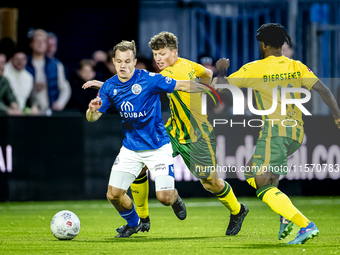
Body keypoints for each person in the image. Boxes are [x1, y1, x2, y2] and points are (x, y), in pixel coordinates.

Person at [85, 32, 248, 236]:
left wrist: (105, 85)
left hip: (198, 135)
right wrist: (208, 85)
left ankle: (238, 210)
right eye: (155, 54)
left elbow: (145, 83)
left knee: (210, 182)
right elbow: (206, 72)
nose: (158, 59)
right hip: (172, 130)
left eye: (162, 54)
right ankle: (142, 219)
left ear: (174, 52)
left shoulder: (172, 73)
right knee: (141, 167)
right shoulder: (187, 64)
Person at [216, 23, 340, 244]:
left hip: (274, 132)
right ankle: (285, 217)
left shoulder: (255, 68)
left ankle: (304, 225)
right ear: (283, 44)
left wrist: (222, 69)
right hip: (296, 134)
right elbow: (324, 90)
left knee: (262, 184)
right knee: (253, 172)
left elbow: (221, 87)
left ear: (263, 44)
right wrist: (337, 116)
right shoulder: (297, 66)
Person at [26, 29, 71, 114]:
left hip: (50, 112)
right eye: (37, 41)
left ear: (46, 45)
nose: (40, 44)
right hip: (29, 112)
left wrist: (59, 104)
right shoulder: (25, 64)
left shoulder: (56, 65)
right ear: (31, 44)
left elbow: (65, 88)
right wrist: (32, 88)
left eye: (43, 41)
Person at [3, 47, 38, 114]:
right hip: (5, 113)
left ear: (26, 60)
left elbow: (32, 97)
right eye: (17, 59)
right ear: (12, 59)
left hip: (21, 114)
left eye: (22, 59)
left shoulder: (28, 77)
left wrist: (34, 106)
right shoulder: (4, 72)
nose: (20, 62)